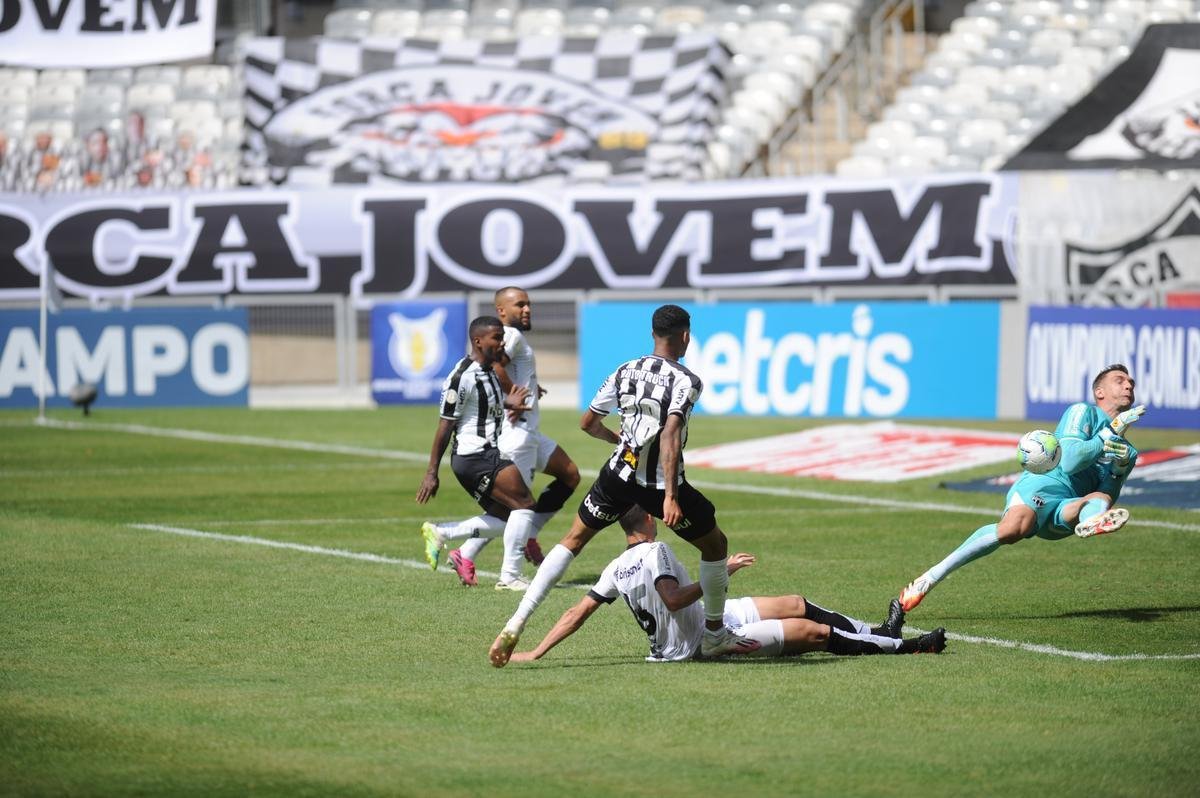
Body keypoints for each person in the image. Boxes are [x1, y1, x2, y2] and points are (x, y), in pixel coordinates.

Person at [490, 304, 760, 667]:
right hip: (655, 483)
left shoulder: (625, 369)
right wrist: (670, 495)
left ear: (653, 335)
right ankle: (714, 635)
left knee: (571, 542)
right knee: (716, 545)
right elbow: (670, 435)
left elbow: (588, 422)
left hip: (616, 474)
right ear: (685, 337)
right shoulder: (686, 380)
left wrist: (618, 439)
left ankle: (515, 622)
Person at [509, 507, 946, 664]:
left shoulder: (615, 566)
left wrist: (535, 649)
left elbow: (575, 612)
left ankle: (880, 631)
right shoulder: (654, 553)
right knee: (816, 634)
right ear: (647, 521)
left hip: (712, 616)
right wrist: (717, 575)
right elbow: (674, 599)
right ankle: (907, 647)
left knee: (796, 602)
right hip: (704, 640)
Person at [897, 363, 1146, 612]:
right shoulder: (1083, 413)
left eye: (1131, 382)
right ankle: (927, 579)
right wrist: (1109, 433)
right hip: (1044, 485)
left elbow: (1108, 494)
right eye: (1120, 379)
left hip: (1069, 509)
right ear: (1099, 392)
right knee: (1013, 529)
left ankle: (1092, 521)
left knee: (1097, 498)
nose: (1128, 385)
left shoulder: (1129, 451)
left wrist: (1119, 469)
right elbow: (1070, 462)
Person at [420, 287, 581, 586]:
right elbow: (494, 366)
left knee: (568, 476)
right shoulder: (509, 337)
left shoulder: (506, 339)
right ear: (501, 311)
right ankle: (507, 572)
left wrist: (528, 389)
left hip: (528, 431)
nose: (527, 309)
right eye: (520, 304)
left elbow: (497, 371)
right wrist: (512, 395)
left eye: (528, 304)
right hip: (516, 435)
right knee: (518, 508)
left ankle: (478, 547)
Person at [414, 315, 539, 591]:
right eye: (496, 337)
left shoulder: (490, 370)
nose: (501, 342)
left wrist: (511, 402)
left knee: (508, 518)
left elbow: (486, 405)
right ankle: (510, 577)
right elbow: (445, 426)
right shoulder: (462, 377)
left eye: (502, 336)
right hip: (476, 456)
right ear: (478, 341)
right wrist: (431, 473)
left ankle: (442, 532)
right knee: (526, 505)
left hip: (485, 454)